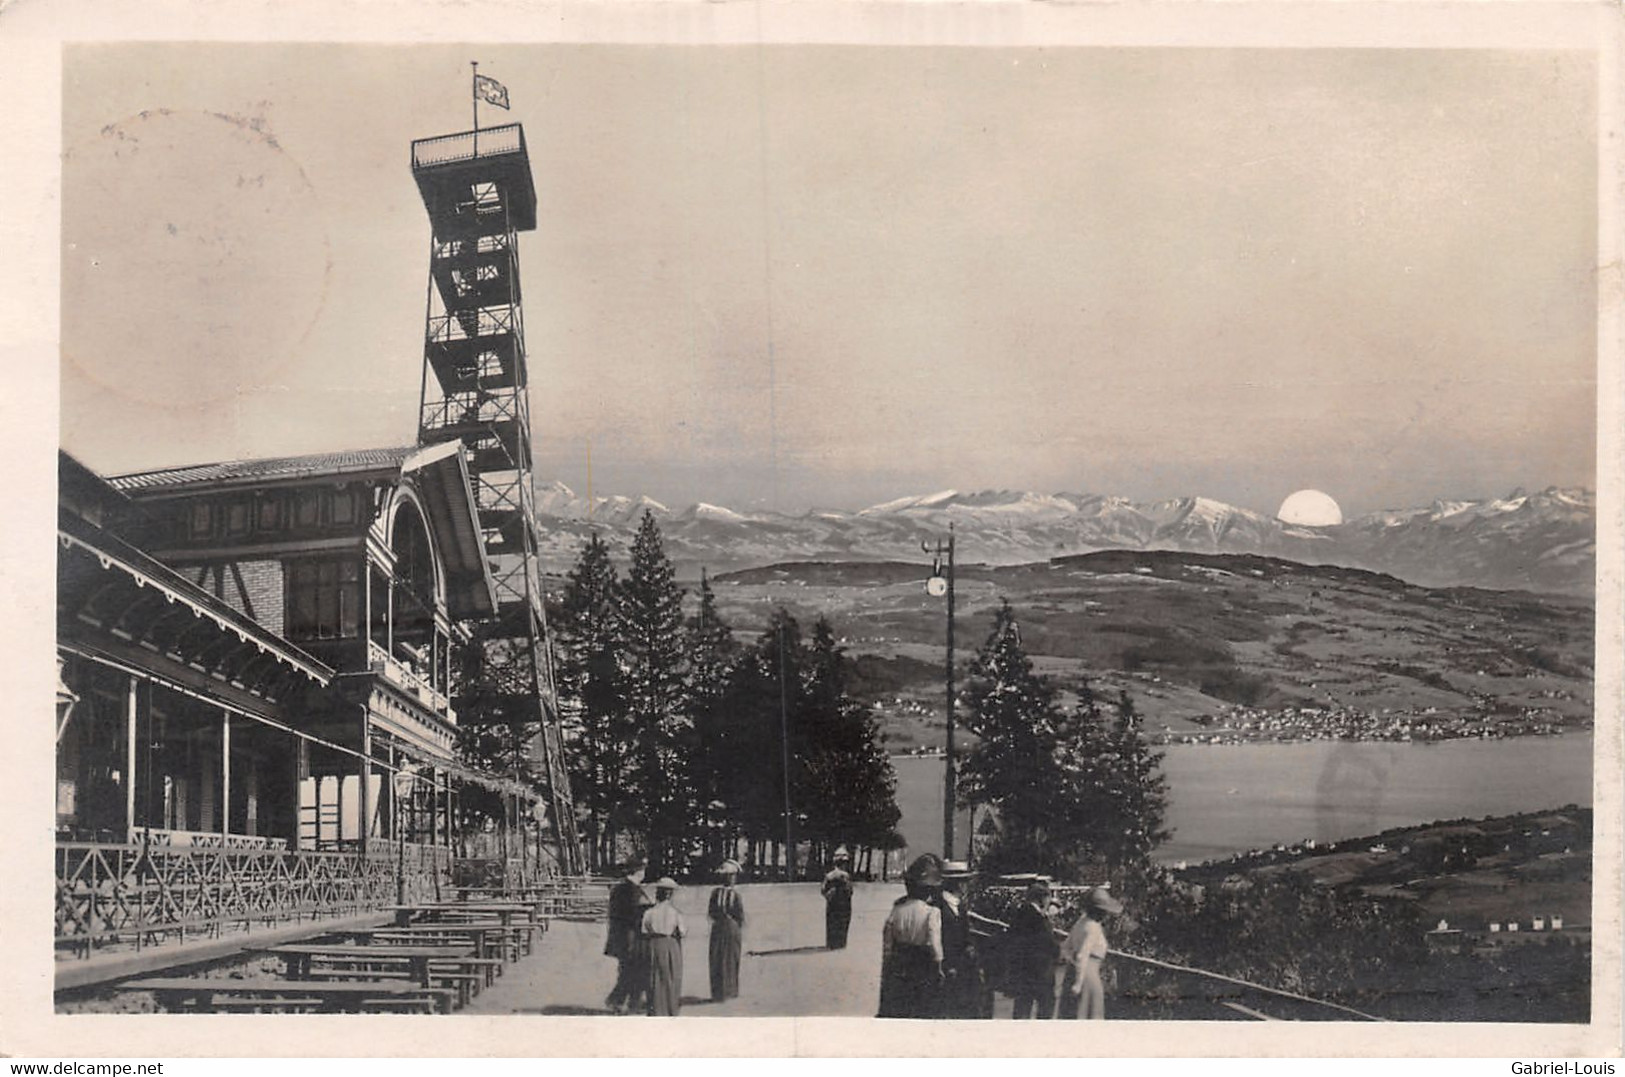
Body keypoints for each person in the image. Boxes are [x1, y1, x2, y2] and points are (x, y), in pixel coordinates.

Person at [877, 854, 945, 1018]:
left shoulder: (897, 909)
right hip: (922, 962)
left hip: (900, 961)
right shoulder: (931, 912)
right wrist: (939, 965)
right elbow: (935, 942)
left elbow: (887, 942)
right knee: (922, 1006)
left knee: (901, 1004)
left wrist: (887, 965)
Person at [1058, 887, 1122, 1020]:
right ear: (1100, 911)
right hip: (1087, 978)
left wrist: (1072, 962)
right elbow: (1083, 954)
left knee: (1074, 1016)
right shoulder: (1093, 927)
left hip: (1073, 973)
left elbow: (1065, 947)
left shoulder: (1081, 923)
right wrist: (1078, 983)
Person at [937, 860, 987, 1018]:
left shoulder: (959, 906)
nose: (967, 887)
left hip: (963, 967)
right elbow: (941, 939)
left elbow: (965, 935)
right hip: (949, 968)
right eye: (965, 882)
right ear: (958, 885)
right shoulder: (939, 906)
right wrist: (949, 965)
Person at [604, 857, 654, 1014]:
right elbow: (632, 914)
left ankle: (624, 1001)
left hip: (620, 936)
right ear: (639, 871)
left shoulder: (619, 888)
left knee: (627, 969)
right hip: (631, 937)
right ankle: (618, 1001)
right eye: (643, 870)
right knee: (631, 970)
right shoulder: (631, 890)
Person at [1006, 879, 1059, 1019]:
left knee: (1022, 1007)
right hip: (1039, 970)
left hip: (1024, 971)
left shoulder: (1020, 913)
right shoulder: (1037, 918)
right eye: (1048, 898)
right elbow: (1047, 942)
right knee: (1045, 1007)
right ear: (1042, 898)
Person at [641, 877, 686, 1016]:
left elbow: (644, 931)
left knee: (654, 978)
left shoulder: (649, 913)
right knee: (671, 977)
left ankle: (656, 1009)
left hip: (654, 944)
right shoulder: (675, 913)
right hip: (670, 945)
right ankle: (670, 1009)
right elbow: (683, 932)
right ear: (670, 895)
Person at [707, 859, 746, 1002]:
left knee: (717, 957)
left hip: (718, 927)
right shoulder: (735, 895)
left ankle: (718, 991)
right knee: (731, 957)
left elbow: (711, 913)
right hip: (731, 927)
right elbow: (740, 915)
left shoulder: (715, 893)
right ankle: (730, 990)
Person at [821, 847, 855, 950]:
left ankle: (831, 943)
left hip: (832, 903)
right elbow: (850, 890)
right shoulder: (845, 876)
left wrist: (829, 896)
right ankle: (841, 943)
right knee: (843, 923)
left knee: (831, 923)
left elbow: (823, 890)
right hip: (844, 904)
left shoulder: (829, 875)